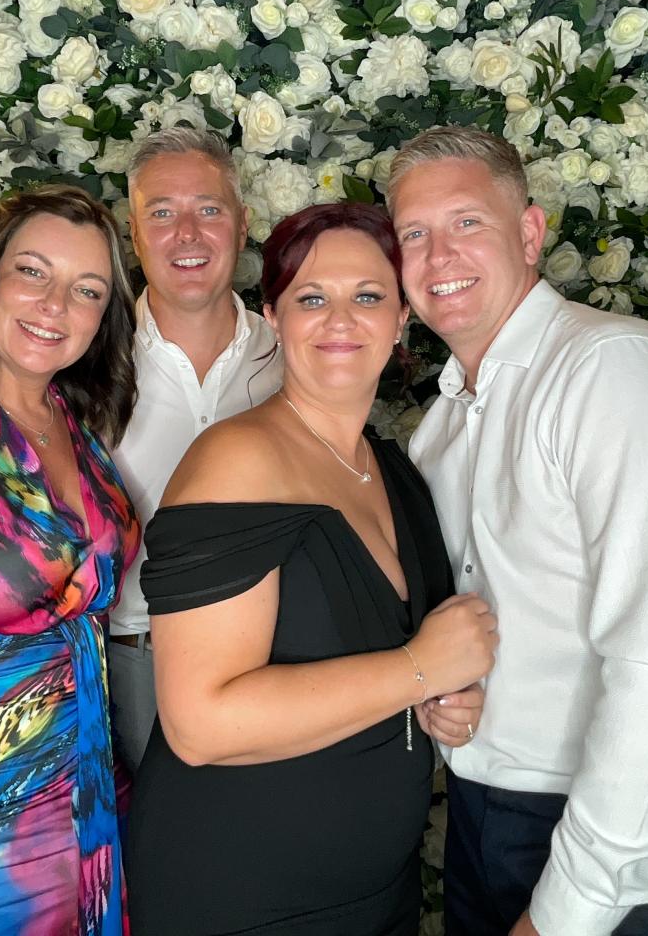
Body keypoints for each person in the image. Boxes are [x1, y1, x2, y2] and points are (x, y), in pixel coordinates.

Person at [126, 202, 498, 936]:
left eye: (368, 295)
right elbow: (200, 724)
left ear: (401, 318)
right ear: (273, 317)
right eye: (311, 298)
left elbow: (390, 666)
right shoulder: (237, 460)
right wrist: (419, 670)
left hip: (379, 891)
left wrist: (438, 702)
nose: (341, 320)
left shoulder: (393, 469)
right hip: (238, 890)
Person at [389, 125, 648, 936]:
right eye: (414, 234)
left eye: (466, 222)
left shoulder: (607, 369)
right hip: (479, 815)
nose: (439, 256)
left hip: (607, 834)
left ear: (531, 234)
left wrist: (573, 906)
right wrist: (444, 696)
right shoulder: (437, 432)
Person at [0, 186, 141, 936]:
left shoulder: (76, 420)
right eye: (33, 272)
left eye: (87, 290)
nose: (55, 305)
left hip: (90, 804)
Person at [108, 127, 282, 773]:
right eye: (162, 214)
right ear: (133, 233)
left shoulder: (296, 352)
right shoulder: (89, 361)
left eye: (208, 209)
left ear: (242, 223)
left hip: (282, 653)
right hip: (139, 658)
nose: (187, 234)